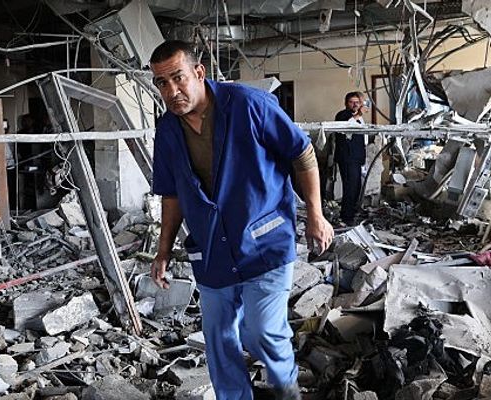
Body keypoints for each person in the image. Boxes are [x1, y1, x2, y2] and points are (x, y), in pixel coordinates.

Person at [148, 40, 333, 400]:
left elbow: (303, 153)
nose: (171, 91)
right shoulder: (168, 131)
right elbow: (171, 194)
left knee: (263, 331)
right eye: (161, 83)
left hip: (264, 244)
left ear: (198, 73)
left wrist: (315, 213)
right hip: (212, 249)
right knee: (218, 339)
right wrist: (163, 250)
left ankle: (286, 389)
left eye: (178, 78)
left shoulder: (249, 105)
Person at [334, 92, 367, 226]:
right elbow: (345, 127)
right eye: (351, 102)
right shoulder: (342, 115)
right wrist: (359, 114)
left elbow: (362, 139)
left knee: (356, 187)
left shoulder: (359, 119)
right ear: (346, 103)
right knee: (350, 187)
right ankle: (346, 217)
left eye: (357, 102)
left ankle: (352, 213)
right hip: (347, 158)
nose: (354, 105)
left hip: (357, 158)